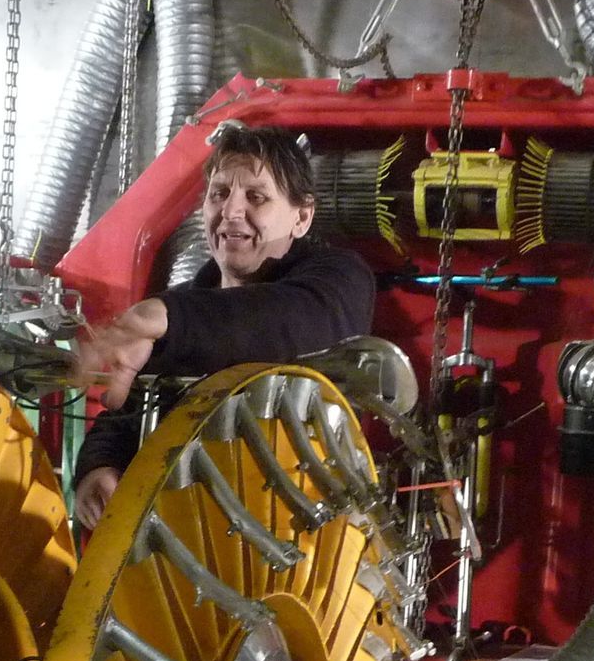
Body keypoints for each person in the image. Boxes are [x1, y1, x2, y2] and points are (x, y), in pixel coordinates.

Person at [68, 125, 377, 529]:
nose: (231, 212)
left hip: (297, 545)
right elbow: (126, 411)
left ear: (301, 217)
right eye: (219, 194)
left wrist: (172, 319)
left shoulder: (339, 283)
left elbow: (284, 323)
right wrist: (100, 466)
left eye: (256, 197)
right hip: (181, 544)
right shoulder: (182, 308)